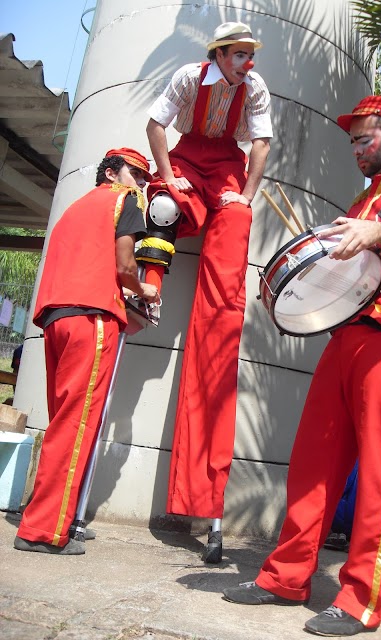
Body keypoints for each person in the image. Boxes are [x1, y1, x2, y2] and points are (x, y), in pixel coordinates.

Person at [223, 96, 381, 636]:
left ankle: (359, 600)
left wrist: (380, 234)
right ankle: (285, 576)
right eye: (352, 142)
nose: (356, 149)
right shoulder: (359, 203)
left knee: (379, 474)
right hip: (345, 339)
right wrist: (289, 289)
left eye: (365, 139)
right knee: (313, 462)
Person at [146, 22, 272, 556]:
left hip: (225, 170)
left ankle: (206, 500)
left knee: (234, 233)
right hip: (187, 163)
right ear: (219, 54)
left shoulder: (256, 88)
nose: (247, 61)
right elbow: (156, 123)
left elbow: (260, 142)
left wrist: (245, 194)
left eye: (250, 54)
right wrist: (167, 172)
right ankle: (148, 288)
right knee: (164, 207)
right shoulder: (185, 78)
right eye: (239, 53)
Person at [14, 148, 159, 555]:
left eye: (146, 179)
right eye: (137, 174)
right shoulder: (123, 199)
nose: (142, 184)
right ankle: (43, 531)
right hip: (91, 318)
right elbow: (124, 262)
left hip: (57, 317)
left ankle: (58, 514)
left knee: (62, 420)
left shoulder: (75, 208)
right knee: (77, 425)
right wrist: (140, 288)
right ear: (112, 172)